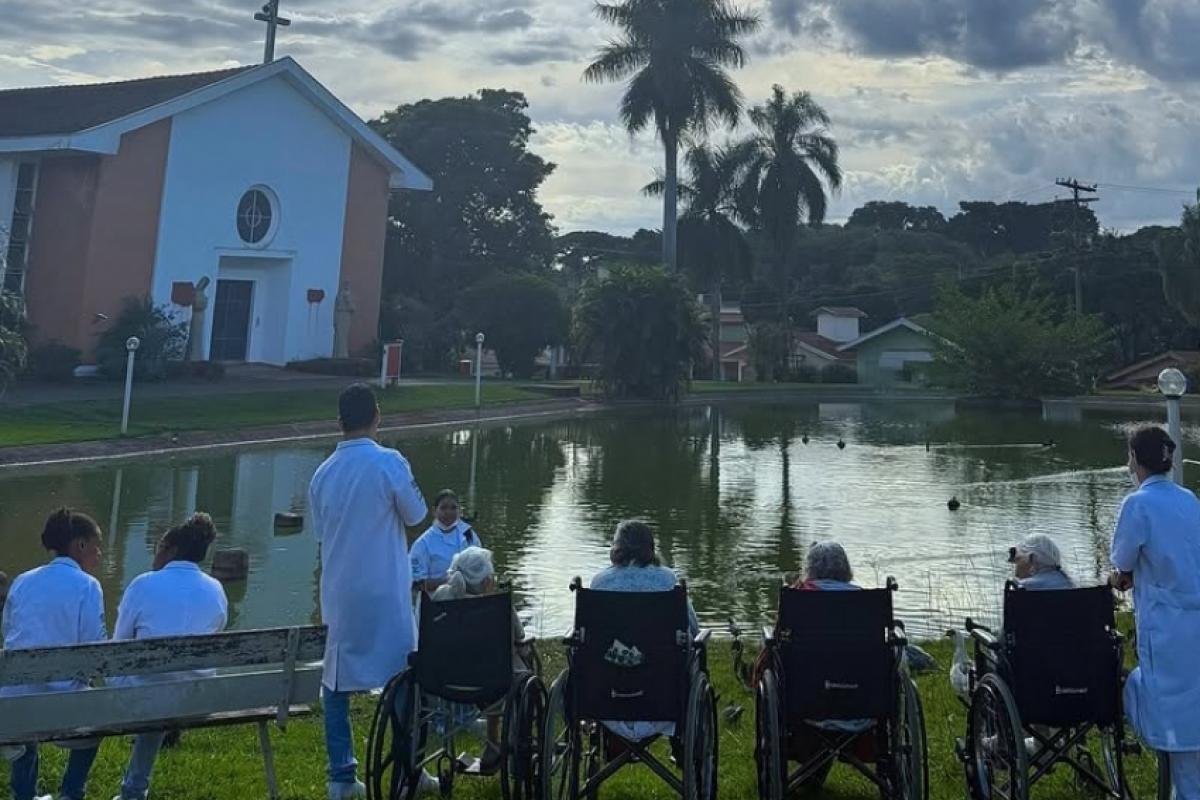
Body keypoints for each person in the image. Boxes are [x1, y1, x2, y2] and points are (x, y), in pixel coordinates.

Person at [308, 383, 433, 800]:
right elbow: (416, 514)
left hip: (339, 591)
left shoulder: (321, 473)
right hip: (384, 590)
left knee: (336, 683)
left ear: (338, 421)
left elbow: (321, 534)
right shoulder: (388, 462)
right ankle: (407, 767)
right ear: (377, 416)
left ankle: (340, 776)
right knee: (403, 675)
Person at [109, 513, 228, 800]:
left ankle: (134, 790)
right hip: (198, 699)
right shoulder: (216, 589)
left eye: (158, 547)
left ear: (171, 550)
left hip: (145, 696)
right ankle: (134, 789)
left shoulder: (143, 584)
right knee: (164, 684)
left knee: (145, 682)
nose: (154, 553)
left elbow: (117, 647)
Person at [1110, 425, 1200, 799]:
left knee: (1170, 716)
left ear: (1134, 459)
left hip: (1165, 627)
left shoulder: (1137, 504)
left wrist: (1118, 578)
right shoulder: (1189, 499)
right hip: (1194, 620)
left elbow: (1122, 564)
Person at [2, 509, 106, 800]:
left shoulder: (23, 580)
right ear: (80, 545)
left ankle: (24, 794)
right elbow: (94, 648)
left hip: (12, 700)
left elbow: (9, 630)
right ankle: (71, 793)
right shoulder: (88, 586)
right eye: (97, 547)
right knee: (98, 717)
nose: (99, 555)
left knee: (25, 703)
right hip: (63, 707)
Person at [590, 521, 699, 744]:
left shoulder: (599, 582)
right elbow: (692, 629)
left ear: (615, 550)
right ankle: (681, 742)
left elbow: (590, 635)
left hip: (607, 691)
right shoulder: (668, 581)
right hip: (662, 690)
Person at [431, 547, 530, 773]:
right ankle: (497, 742)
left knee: (491, 669)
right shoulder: (498, 605)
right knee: (516, 671)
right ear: (486, 581)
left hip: (446, 680)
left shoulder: (440, 597)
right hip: (492, 683)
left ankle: (490, 744)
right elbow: (520, 638)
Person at [411, 490, 480, 595]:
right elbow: (417, 584)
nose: (448, 512)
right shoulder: (423, 543)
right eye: (443, 508)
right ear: (434, 511)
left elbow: (480, 567)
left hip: (468, 601)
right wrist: (450, 583)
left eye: (453, 508)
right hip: (436, 603)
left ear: (459, 510)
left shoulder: (469, 535)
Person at [1009, 534, 1075, 590]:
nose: (1016, 568)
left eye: (1018, 559)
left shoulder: (1023, 586)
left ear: (1032, 558)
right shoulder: (1068, 582)